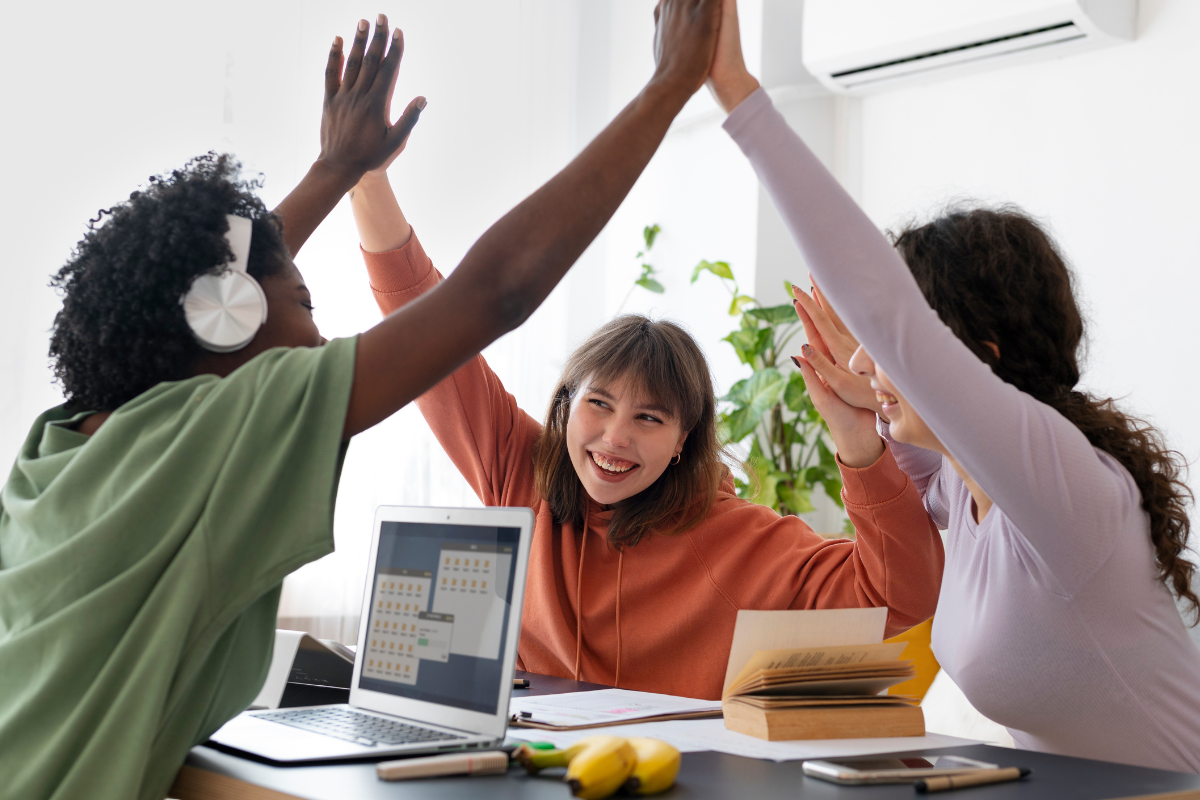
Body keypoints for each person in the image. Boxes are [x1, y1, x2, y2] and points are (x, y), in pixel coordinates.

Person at [0, 5, 726, 799]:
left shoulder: (67, 441)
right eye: (305, 304)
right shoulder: (219, 428)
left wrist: (335, 169)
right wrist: (667, 87)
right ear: (228, 317)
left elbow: (214, 292)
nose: (319, 339)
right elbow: (497, 291)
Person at [705, 0, 1200, 773]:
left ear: (979, 359)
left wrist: (738, 93)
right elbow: (895, 452)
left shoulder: (1060, 482)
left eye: (897, 351)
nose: (872, 362)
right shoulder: (963, 492)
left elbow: (886, 309)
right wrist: (862, 409)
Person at [350, 129, 944, 700]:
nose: (614, 438)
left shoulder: (735, 540)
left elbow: (900, 599)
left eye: (650, 419)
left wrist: (856, 437)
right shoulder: (521, 475)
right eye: (599, 405)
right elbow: (431, 337)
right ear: (566, 405)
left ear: (684, 439)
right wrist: (366, 180)